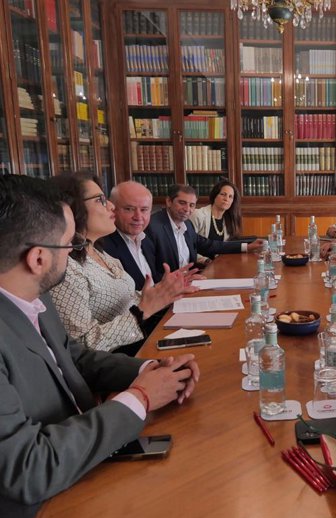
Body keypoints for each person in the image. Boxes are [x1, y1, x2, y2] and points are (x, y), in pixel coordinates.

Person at [0, 175, 200, 517]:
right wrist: (141, 398)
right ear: (37, 259)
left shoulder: (34, 296)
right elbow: (28, 469)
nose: (77, 253)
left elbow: (73, 356)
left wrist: (149, 369)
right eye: (69, 247)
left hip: (85, 456)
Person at [49, 174, 197, 355]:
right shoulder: (64, 267)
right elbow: (81, 346)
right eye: (100, 200)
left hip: (142, 342)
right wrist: (143, 311)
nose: (111, 207)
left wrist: (165, 290)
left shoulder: (98, 251)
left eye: (144, 210)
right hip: (117, 363)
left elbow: (129, 297)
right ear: (70, 208)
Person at [146, 184, 263, 274]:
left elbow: (210, 245)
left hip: (189, 282)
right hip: (168, 291)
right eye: (182, 203)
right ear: (169, 202)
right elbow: (150, 273)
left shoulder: (186, 225)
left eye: (192, 205)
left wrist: (247, 247)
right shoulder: (153, 227)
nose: (187, 209)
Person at [101, 180, 160, 291]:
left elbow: (151, 282)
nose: (138, 217)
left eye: (144, 210)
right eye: (129, 209)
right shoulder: (103, 247)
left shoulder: (146, 239)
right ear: (112, 209)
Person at [189, 180, 245, 262]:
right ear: (215, 195)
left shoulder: (228, 219)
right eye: (223, 194)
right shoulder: (198, 215)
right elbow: (188, 247)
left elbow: (225, 247)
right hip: (199, 266)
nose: (226, 199)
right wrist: (205, 261)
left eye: (230, 197)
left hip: (220, 264)